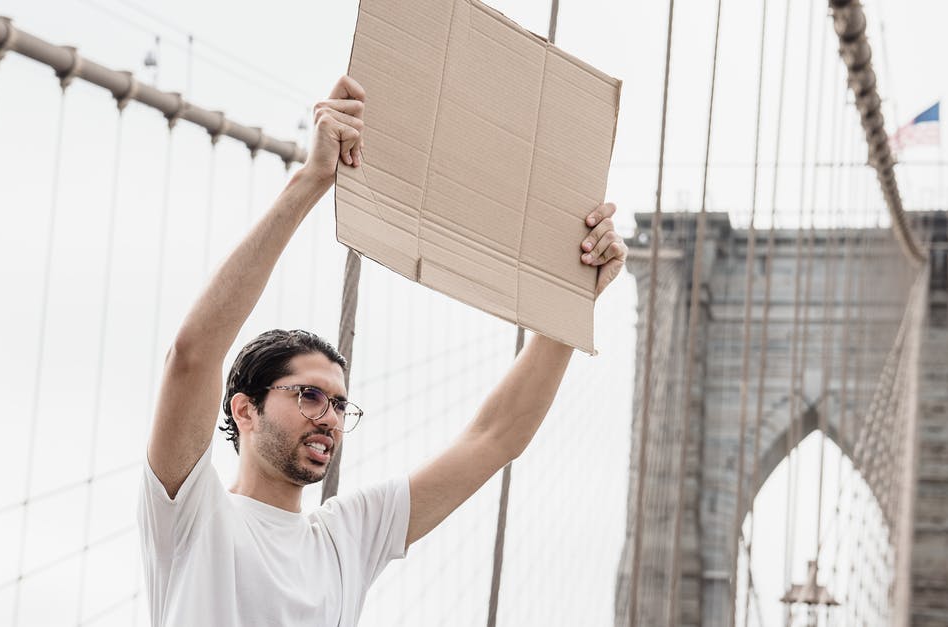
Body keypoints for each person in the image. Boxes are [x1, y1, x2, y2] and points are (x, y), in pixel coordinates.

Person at [138, 75, 627, 626]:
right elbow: (193, 355)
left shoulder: (347, 535)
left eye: (341, 405)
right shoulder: (189, 516)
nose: (330, 418)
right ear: (244, 408)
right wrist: (312, 179)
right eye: (309, 396)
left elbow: (495, 438)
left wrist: (567, 302)